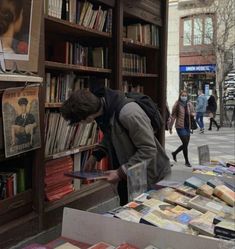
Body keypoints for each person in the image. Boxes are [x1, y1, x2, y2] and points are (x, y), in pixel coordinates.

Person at [61, 87, 171, 205]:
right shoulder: (105, 111)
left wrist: (120, 173)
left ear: (87, 117)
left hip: (151, 175)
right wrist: (96, 155)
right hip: (130, 175)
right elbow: (111, 135)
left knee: (144, 217)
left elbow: (148, 149)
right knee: (127, 212)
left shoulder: (128, 113)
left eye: (79, 122)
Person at [168, 90, 195, 167]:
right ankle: (187, 161)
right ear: (180, 96)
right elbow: (173, 116)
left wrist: (193, 114)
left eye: (185, 95)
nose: (184, 97)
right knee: (185, 143)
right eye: (182, 95)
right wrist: (170, 127)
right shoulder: (177, 104)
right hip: (180, 126)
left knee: (185, 144)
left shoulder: (189, 104)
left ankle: (174, 153)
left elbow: (193, 112)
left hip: (187, 126)